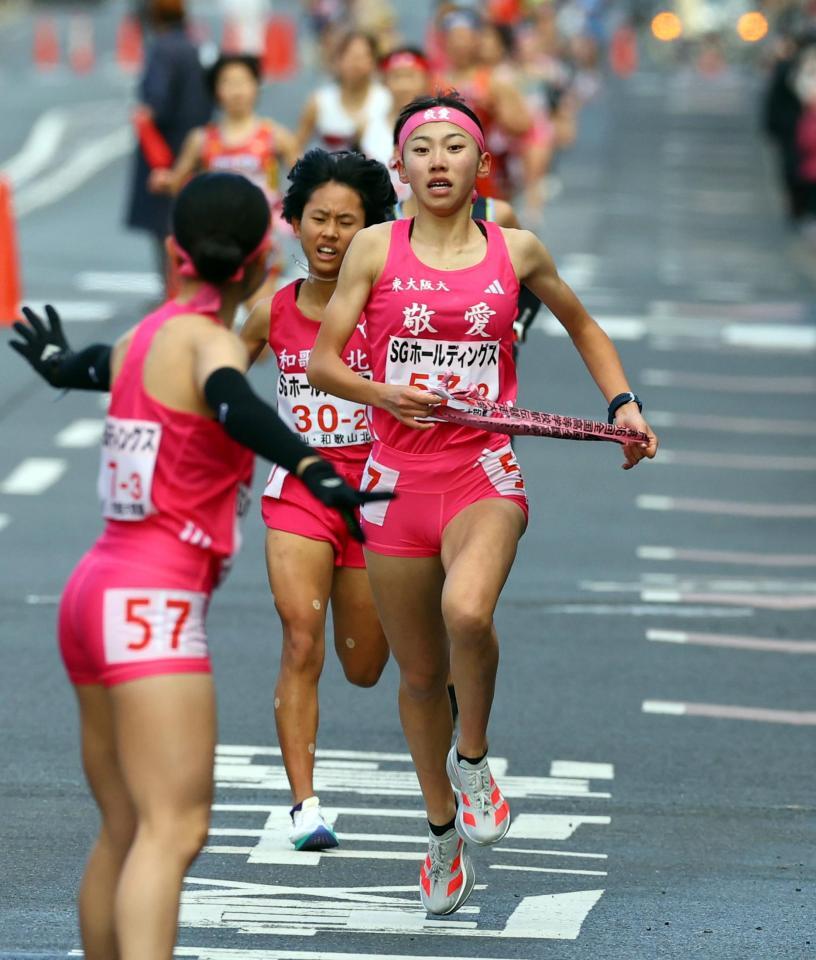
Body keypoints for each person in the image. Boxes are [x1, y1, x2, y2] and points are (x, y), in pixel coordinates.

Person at [8, 172, 387, 959]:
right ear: (258, 261)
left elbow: (90, 366)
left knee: (125, 826)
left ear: (177, 254)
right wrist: (313, 466)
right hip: (151, 602)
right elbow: (233, 403)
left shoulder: (148, 337)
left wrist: (54, 364)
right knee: (174, 828)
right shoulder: (212, 343)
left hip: (90, 594)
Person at [307, 93, 657, 916]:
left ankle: (473, 761)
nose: (436, 161)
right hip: (395, 477)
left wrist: (623, 405)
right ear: (400, 168)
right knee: (421, 675)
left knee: (469, 611)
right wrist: (382, 392)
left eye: (452, 147)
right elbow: (325, 364)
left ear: (480, 167)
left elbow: (583, 325)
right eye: (420, 148)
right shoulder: (370, 249)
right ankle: (440, 836)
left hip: (481, 471)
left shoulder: (518, 251)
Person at [239, 149, 396, 849]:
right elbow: (209, 378)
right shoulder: (267, 312)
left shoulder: (394, 307)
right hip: (299, 491)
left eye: (346, 222)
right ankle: (304, 807)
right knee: (301, 641)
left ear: (370, 230)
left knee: (363, 668)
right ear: (294, 224)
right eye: (317, 220)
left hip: (378, 497)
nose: (329, 235)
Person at [149, 53, 299, 307]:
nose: (236, 91)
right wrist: (164, 181)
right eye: (228, 82)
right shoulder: (201, 140)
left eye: (243, 81)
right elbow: (178, 184)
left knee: (260, 315)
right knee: (212, 312)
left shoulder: (276, 137)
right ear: (216, 90)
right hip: (213, 243)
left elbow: (305, 180)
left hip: (262, 241)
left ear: (256, 86)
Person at [125, 0, 212, 284]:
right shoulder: (192, 45)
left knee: (164, 225)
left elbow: (155, 103)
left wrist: (142, 114)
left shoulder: (161, 48)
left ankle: (171, 291)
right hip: (193, 144)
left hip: (163, 151)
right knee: (189, 221)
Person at [296, 31, 392, 153]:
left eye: (362, 57)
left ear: (374, 62)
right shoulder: (320, 101)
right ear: (338, 60)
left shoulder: (387, 100)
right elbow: (296, 147)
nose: (355, 64)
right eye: (350, 56)